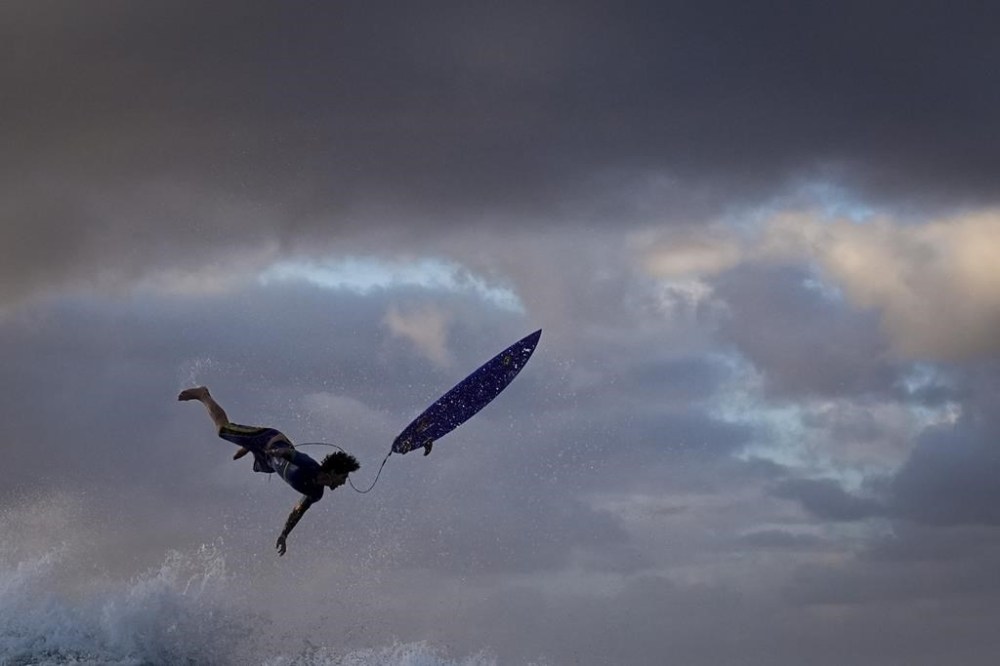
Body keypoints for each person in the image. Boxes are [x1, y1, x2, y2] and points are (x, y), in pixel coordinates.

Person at [178, 386, 360, 556]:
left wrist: (284, 535)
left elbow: (298, 511)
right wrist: (273, 451)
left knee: (259, 467)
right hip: (266, 440)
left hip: (268, 463)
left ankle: (249, 448)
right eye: (344, 477)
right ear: (334, 472)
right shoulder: (309, 465)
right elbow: (289, 453)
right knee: (222, 430)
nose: (343, 482)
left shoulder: (316, 493)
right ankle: (203, 395)